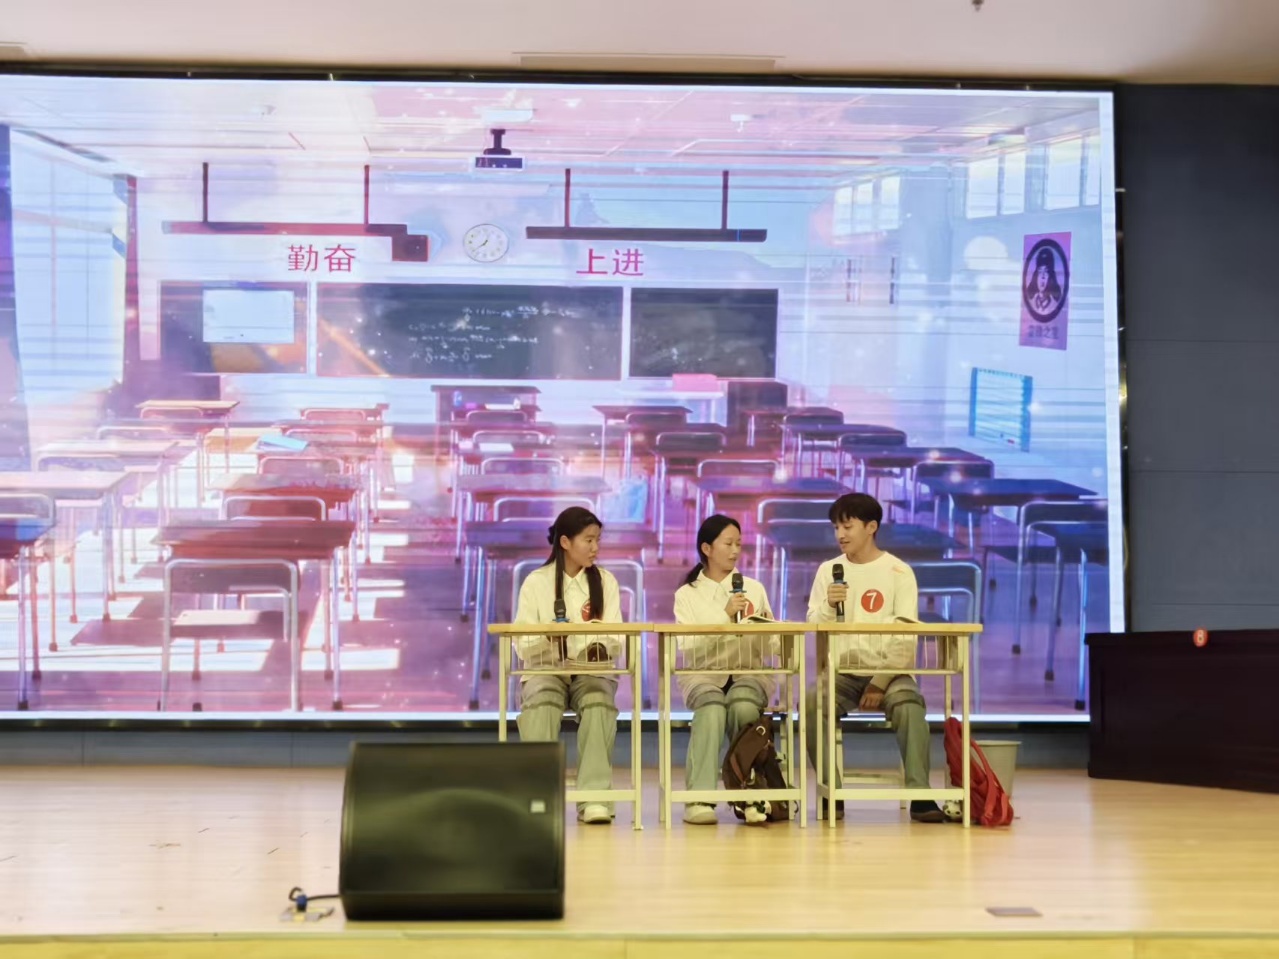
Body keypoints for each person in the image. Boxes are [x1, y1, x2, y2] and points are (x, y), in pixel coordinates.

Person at [803, 492, 944, 824]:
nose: (840, 534)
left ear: (871, 527)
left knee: (909, 706)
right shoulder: (828, 571)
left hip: (890, 673)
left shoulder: (898, 571)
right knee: (813, 702)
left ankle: (920, 794)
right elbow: (812, 624)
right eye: (836, 527)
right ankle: (831, 793)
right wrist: (829, 604)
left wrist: (879, 682)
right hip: (843, 671)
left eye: (847, 526)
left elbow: (905, 636)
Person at [513, 506, 623, 825]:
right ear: (565, 542)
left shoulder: (606, 581)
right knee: (542, 702)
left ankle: (595, 798)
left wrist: (596, 646)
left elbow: (617, 637)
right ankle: (538, 797)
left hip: (590, 670)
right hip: (546, 668)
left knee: (599, 702)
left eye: (598, 540)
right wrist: (547, 637)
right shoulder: (537, 582)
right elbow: (521, 643)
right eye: (588, 540)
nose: (595, 547)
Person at [672, 515, 777, 826]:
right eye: (728, 544)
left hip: (748, 671)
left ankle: (752, 796)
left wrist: (764, 630)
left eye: (738, 544)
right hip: (703, 673)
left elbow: (772, 643)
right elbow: (688, 647)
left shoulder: (753, 588)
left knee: (743, 706)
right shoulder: (687, 594)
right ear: (707, 548)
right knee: (712, 708)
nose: (735, 551)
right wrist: (724, 616)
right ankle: (699, 798)